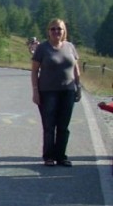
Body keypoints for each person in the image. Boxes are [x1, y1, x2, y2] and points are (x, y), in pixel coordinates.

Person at [31, 19, 80, 166]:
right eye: (53, 29)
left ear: (64, 31)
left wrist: (78, 87)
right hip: (47, 92)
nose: (56, 32)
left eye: (59, 29)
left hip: (68, 91)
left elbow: (76, 69)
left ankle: (61, 156)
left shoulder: (70, 47)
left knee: (63, 126)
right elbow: (34, 71)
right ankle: (48, 156)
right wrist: (35, 91)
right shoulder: (42, 48)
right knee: (49, 126)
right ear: (48, 31)